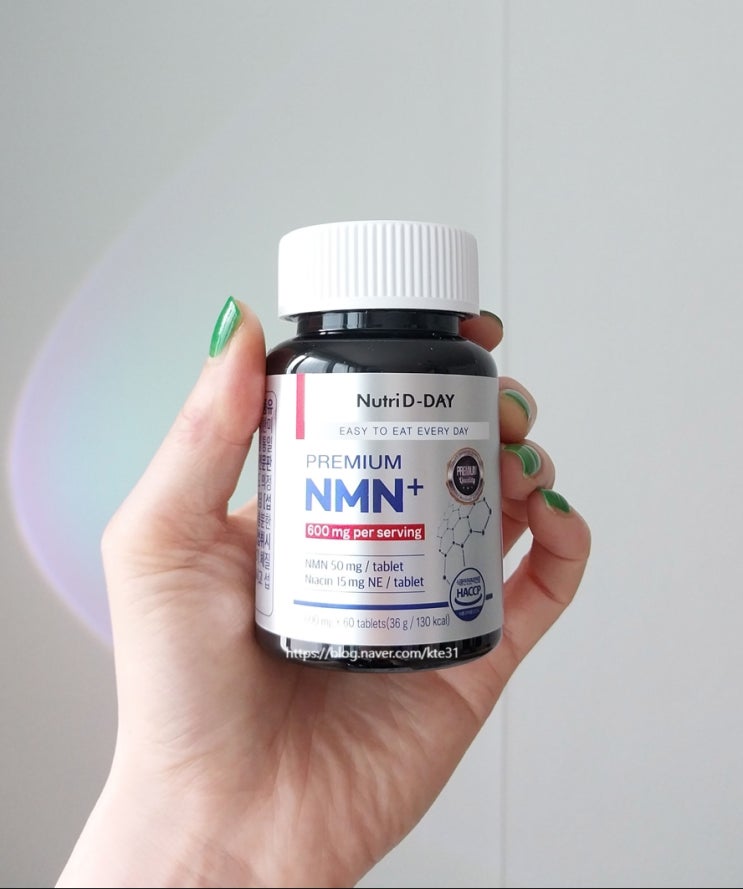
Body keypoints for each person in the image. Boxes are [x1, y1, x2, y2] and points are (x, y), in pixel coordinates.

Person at [56, 301, 590, 888]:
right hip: (294, 650)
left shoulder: (416, 369)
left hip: (428, 619)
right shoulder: (300, 369)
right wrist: (193, 818)